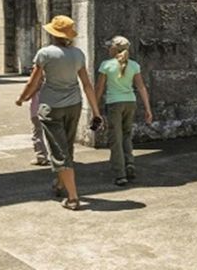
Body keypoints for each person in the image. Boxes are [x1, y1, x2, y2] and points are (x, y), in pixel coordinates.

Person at [15, 15, 102, 211]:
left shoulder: (45, 54)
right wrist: (96, 112)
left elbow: (33, 82)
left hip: (51, 107)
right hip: (74, 105)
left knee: (58, 150)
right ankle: (61, 183)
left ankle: (72, 197)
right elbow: (87, 84)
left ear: (53, 33)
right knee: (66, 145)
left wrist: (22, 98)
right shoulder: (78, 54)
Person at [95, 35, 153, 186]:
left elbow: (99, 88)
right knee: (127, 135)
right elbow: (141, 87)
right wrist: (148, 108)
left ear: (114, 48)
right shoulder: (134, 65)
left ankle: (120, 173)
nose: (109, 48)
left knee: (115, 138)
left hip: (114, 103)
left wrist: (95, 107)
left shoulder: (106, 65)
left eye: (110, 46)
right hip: (130, 102)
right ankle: (129, 163)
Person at [28, 91, 50, 166]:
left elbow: (30, 89)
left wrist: (21, 99)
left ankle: (41, 156)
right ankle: (60, 156)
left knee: (37, 133)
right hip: (51, 109)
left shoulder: (36, 79)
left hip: (37, 110)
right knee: (54, 133)